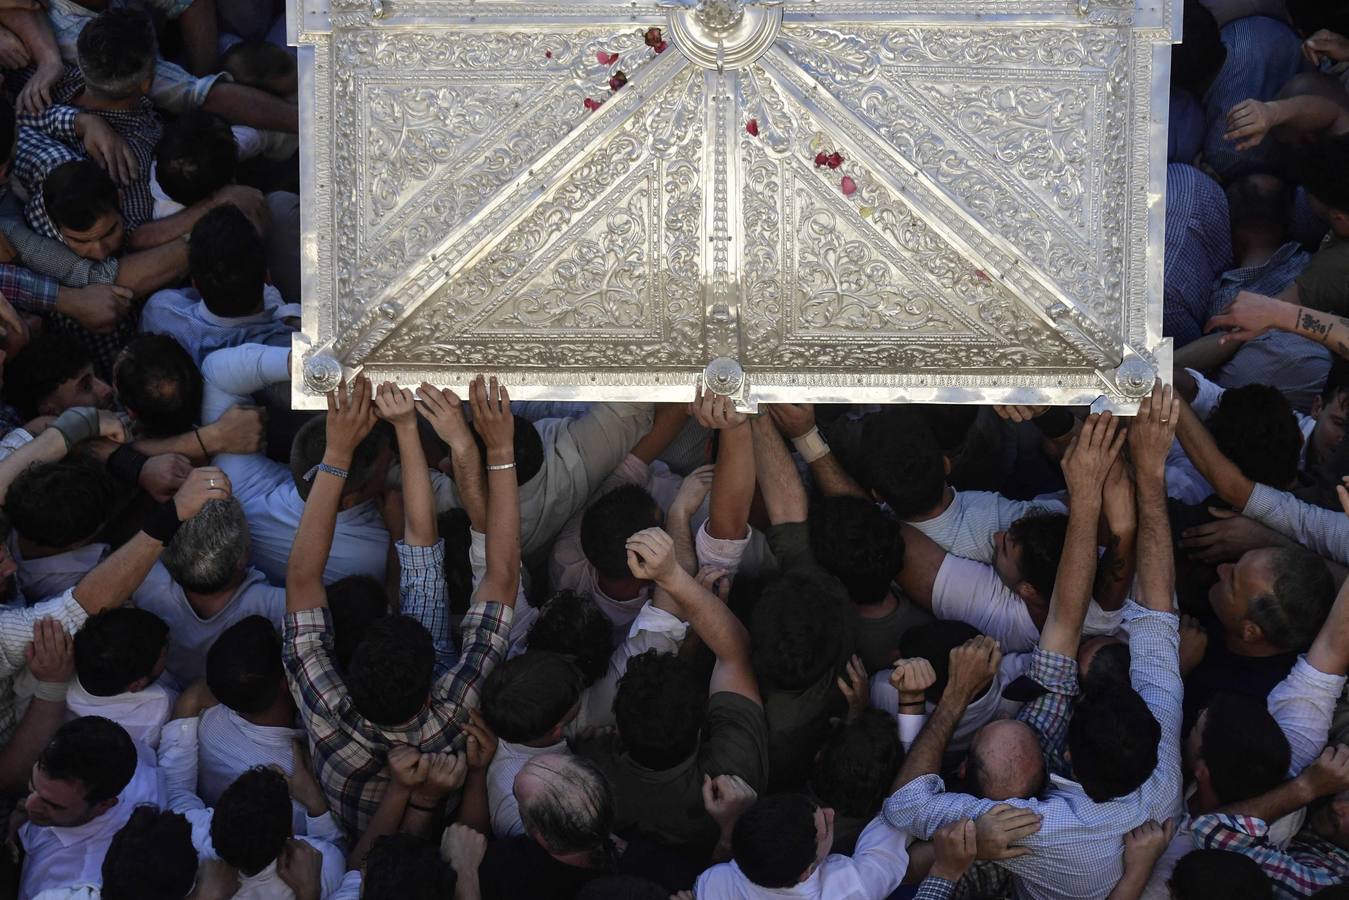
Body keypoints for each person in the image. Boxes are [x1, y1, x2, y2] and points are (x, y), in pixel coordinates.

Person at [283, 376, 520, 837]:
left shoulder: (322, 702)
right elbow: (504, 576)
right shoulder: (456, 708)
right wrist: (499, 448)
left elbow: (301, 578)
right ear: (433, 687)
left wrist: (379, 438)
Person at [17, 716, 163, 899]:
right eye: (33, 784)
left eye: (53, 805)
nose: (29, 805)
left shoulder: (75, 884)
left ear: (104, 805)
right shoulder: (116, 750)